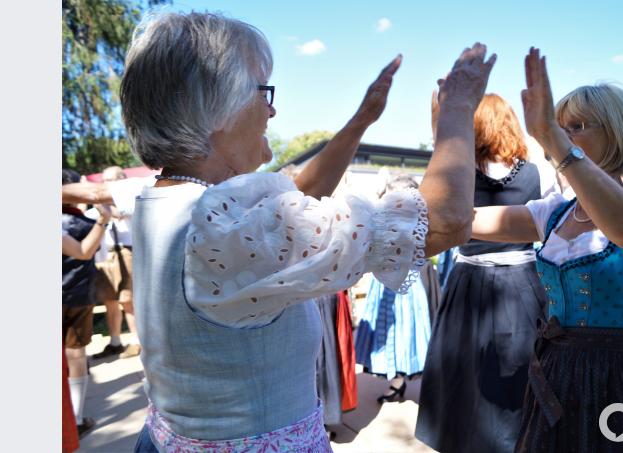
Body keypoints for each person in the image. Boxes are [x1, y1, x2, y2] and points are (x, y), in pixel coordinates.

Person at [115, 12, 494, 451]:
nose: (271, 108)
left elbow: (294, 198)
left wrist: (361, 120)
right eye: (263, 91)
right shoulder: (220, 226)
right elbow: (445, 221)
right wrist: (460, 107)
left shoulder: (167, 201)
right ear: (214, 104)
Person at [471, 48, 623, 452]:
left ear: (616, 132)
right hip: (557, 374)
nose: (564, 134)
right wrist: (452, 125)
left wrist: (553, 137)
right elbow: (462, 222)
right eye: (561, 125)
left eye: (578, 126)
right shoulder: (553, 212)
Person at [415, 93, 547, 453]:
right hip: (521, 284)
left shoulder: (458, 177)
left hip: (471, 285)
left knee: (466, 377)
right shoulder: (533, 174)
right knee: (518, 376)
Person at [354, 173, 441, 403]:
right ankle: (397, 381)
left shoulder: (420, 223)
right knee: (392, 331)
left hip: (409, 285)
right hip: (385, 285)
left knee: (408, 331)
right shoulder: (382, 221)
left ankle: (407, 381)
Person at [62, 169, 113, 440]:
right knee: (75, 355)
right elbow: (87, 252)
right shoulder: (85, 222)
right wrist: (103, 220)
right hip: (77, 296)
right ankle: (77, 417)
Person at [86, 166, 141, 360]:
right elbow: (89, 219)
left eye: (110, 179)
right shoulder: (102, 203)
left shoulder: (131, 197)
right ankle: (115, 341)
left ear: (122, 179)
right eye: (105, 180)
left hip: (127, 252)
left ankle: (137, 341)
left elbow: (118, 213)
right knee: (109, 300)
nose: (106, 184)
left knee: (127, 301)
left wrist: (98, 199)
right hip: (107, 256)